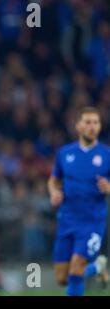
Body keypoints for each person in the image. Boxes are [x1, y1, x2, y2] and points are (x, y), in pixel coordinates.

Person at [48, 107, 109, 296]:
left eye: (96, 123)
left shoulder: (107, 154)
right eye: (88, 122)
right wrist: (54, 192)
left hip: (92, 220)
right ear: (78, 126)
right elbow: (54, 179)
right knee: (62, 277)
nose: (92, 127)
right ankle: (98, 267)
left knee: (76, 270)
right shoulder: (65, 153)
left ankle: (92, 267)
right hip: (67, 218)